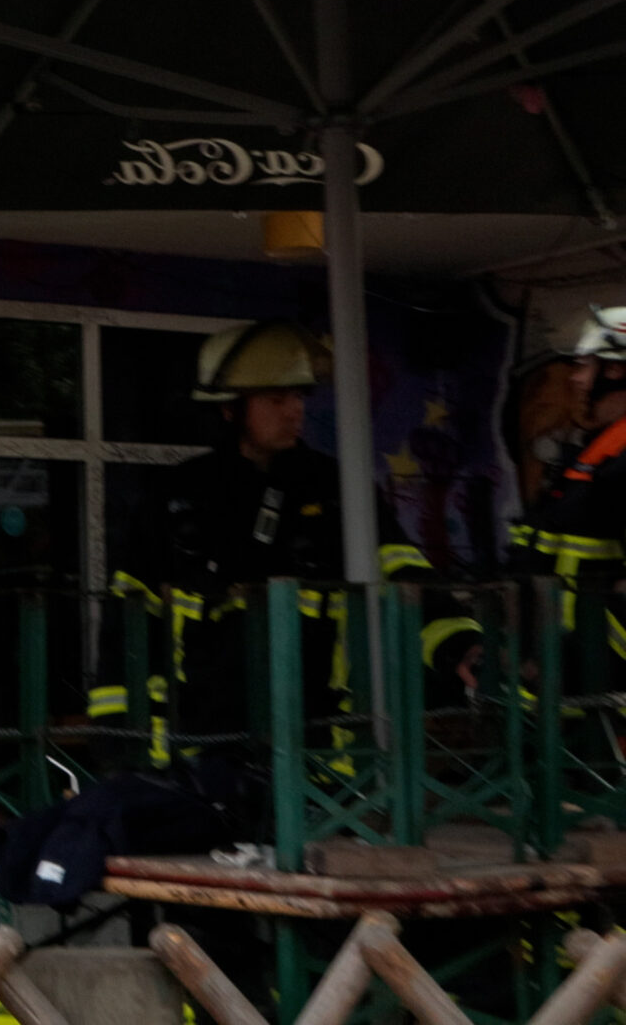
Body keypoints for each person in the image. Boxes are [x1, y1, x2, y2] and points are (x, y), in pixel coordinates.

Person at [96, 320, 439, 754]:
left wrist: (460, 648)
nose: (295, 411)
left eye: (298, 397)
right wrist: (116, 735)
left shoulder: (337, 490)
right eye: (277, 399)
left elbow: (406, 575)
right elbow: (126, 620)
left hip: (315, 743)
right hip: (203, 741)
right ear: (230, 410)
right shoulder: (176, 495)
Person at [513, 306, 626, 696]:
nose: (575, 379)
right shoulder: (601, 453)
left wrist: (584, 648)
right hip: (573, 672)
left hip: (600, 678)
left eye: (584, 366)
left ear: (616, 371)